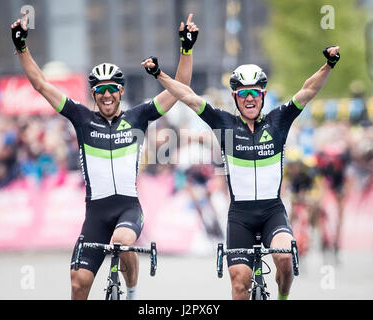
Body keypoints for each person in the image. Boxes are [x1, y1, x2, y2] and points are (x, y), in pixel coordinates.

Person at [11, 12, 199, 300]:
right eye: (101, 90)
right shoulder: (81, 118)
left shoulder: (139, 116)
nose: (107, 94)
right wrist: (22, 47)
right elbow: (41, 84)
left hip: (127, 208)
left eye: (113, 89)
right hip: (96, 214)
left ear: (121, 91)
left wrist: (186, 49)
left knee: (122, 242)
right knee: (77, 283)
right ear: (94, 93)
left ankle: (133, 293)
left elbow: (181, 88)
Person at [142, 45, 340, 300]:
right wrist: (159, 74)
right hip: (240, 217)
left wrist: (329, 64)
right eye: (243, 93)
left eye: (255, 93)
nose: (249, 98)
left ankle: (282, 296)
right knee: (239, 284)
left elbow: (308, 90)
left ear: (263, 95)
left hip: (272, 212)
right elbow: (188, 96)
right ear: (235, 96)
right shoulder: (224, 123)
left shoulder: (279, 120)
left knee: (285, 258)